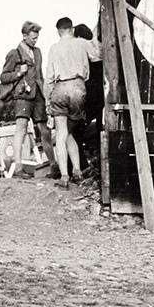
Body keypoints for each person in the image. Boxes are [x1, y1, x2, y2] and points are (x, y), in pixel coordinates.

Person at [44, 17, 102, 187]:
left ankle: (64, 177)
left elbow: (49, 78)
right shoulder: (82, 43)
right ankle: (77, 170)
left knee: (62, 134)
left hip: (60, 88)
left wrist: (48, 103)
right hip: (78, 88)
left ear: (59, 31)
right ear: (72, 29)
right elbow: (98, 54)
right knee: (69, 132)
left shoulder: (54, 48)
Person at [0, 21, 56, 179]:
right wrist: (18, 73)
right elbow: (3, 77)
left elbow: (40, 75)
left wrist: (46, 94)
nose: (35, 41)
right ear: (24, 36)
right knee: (21, 129)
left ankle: (53, 166)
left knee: (45, 130)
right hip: (22, 95)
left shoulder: (38, 52)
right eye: (32, 38)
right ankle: (18, 168)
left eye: (36, 38)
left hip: (38, 95)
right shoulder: (14, 53)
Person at [71, 22, 104, 172]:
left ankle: (82, 165)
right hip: (103, 96)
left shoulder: (81, 48)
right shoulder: (97, 50)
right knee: (100, 130)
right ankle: (100, 163)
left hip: (90, 96)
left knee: (75, 131)